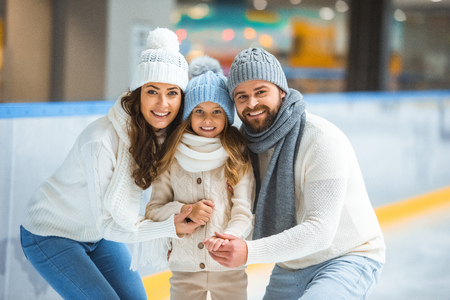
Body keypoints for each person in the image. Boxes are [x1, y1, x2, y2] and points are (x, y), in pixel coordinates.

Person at [19, 28, 201, 300]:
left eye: (172, 92)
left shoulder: (163, 138)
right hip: (51, 232)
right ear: (138, 93)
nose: (163, 103)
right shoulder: (101, 141)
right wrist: (169, 226)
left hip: (96, 234)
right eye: (153, 91)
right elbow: (108, 224)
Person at [205, 47, 386, 299]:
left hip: (347, 256)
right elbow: (248, 213)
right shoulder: (242, 148)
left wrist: (248, 251)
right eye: (241, 96)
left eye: (261, 92)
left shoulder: (321, 139)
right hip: (291, 263)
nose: (252, 103)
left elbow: (321, 230)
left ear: (281, 91)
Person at [133, 56, 254, 300]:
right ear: (188, 114)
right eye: (199, 111)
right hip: (184, 269)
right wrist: (185, 210)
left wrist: (227, 239)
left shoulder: (237, 157)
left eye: (216, 112)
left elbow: (243, 211)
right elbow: (154, 210)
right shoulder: (172, 157)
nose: (207, 120)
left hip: (228, 269)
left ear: (227, 116)